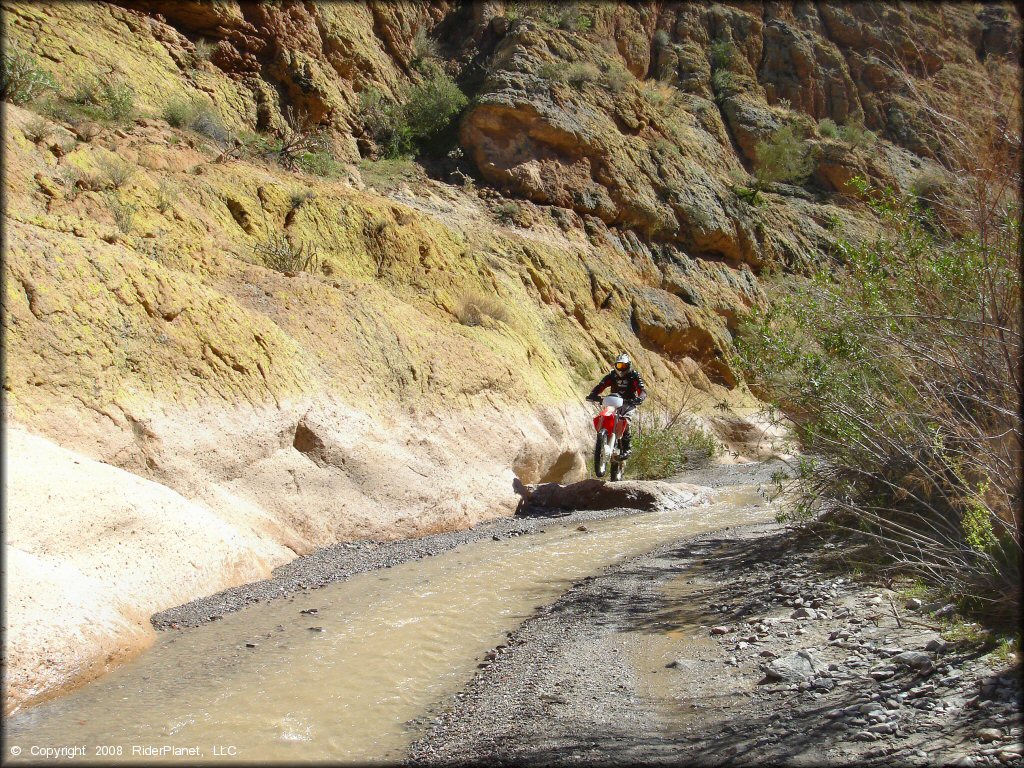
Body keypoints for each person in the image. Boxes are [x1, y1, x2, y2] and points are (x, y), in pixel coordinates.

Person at [586, 353, 647, 459]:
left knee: (625, 420)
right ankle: (602, 439)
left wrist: (639, 398)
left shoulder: (634, 375)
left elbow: (642, 390)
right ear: (615, 365)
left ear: (629, 365)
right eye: (619, 365)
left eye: (623, 366)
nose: (621, 368)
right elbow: (601, 385)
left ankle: (627, 448)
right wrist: (593, 395)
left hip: (629, 403)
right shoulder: (612, 375)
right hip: (613, 401)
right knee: (604, 416)